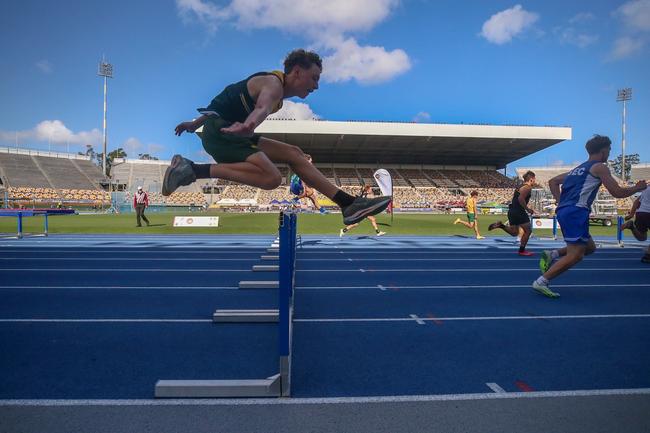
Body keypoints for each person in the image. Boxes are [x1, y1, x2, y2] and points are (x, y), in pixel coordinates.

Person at [165, 49, 390, 225]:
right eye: (314, 78)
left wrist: (194, 124)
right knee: (272, 179)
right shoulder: (273, 85)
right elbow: (262, 108)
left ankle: (348, 204)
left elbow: (218, 105)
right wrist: (248, 125)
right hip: (224, 133)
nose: (317, 86)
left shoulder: (276, 91)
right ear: (297, 72)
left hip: (230, 129)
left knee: (294, 153)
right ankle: (193, 170)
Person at [534, 135, 647, 298]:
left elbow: (553, 181)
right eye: (608, 149)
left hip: (569, 211)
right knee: (576, 254)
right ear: (602, 151)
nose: (609, 152)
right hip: (575, 212)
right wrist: (637, 188)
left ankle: (553, 254)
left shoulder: (578, 169)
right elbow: (617, 192)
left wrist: (561, 202)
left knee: (590, 247)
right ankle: (542, 281)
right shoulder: (599, 167)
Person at [488, 171, 537, 255]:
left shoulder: (520, 186)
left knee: (514, 233)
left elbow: (517, 198)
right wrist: (528, 209)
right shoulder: (528, 187)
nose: (535, 180)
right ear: (531, 179)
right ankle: (522, 251)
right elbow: (520, 199)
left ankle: (501, 225)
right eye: (535, 179)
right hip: (519, 211)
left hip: (512, 210)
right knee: (528, 231)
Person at [621, 183, 650, 263]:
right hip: (648, 213)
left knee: (642, 237)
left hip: (640, 213)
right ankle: (648, 254)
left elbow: (636, 202)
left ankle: (632, 226)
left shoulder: (646, 189)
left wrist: (631, 214)